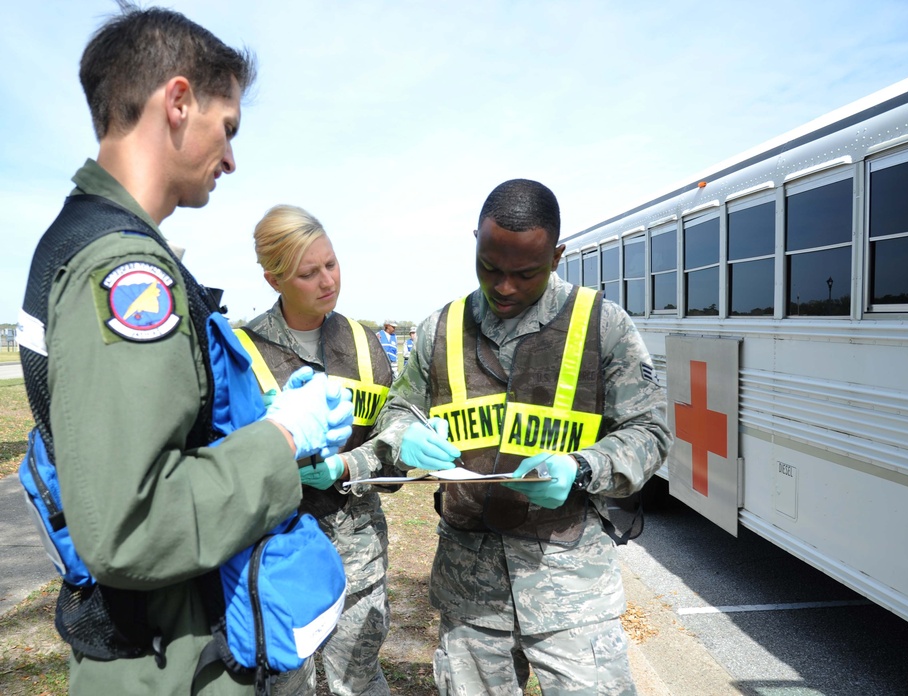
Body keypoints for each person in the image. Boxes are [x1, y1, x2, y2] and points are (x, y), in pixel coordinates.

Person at [16, 7, 351, 695]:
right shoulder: (124, 272)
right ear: (177, 103)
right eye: (226, 129)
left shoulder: (81, 243)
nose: (231, 157)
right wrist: (282, 439)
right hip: (177, 661)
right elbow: (130, 524)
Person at [371, 179, 672, 694]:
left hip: (571, 591)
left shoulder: (604, 325)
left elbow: (650, 433)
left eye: (525, 273)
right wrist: (403, 439)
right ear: (475, 242)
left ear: (557, 256)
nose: (504, 286)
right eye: (489, 267)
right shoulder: (440, 330)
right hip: (471, 593)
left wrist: (581, 468)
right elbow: (397, 410)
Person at [238, 204, 394, 695]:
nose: (327, 280)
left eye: (331, 264)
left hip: (359, 554)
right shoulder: (244, 351)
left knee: (359, 680)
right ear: (273, 279)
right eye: (308, 273)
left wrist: (358, 461)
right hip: (277, 556)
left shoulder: (364, 344)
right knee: (287, 687)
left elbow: (392, 441)